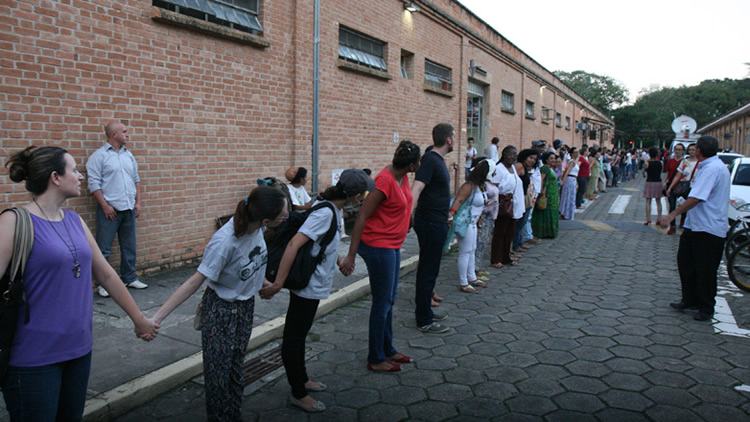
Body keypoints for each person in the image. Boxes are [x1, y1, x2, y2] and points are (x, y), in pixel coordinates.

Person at [1, 146, 158, 421]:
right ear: (55, 177)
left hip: (79, 351)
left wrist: (139, 319)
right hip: (33, 358)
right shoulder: (14, 222)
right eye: (74, 169)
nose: (81, 176)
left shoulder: (74, 220)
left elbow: (107, 274)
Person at [152, 186, 287, 421]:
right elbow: (195, 281)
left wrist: (263, 282)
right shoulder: (224, 242)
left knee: (236, 369)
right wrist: (157, 318)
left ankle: (233, 415)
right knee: (218, 377)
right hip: (221, 312)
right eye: (284, 213)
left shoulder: (258, 228)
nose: (287, 215)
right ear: (266, 219)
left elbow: (251, 261)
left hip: (244, 308)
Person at [260, 169, 372, 411]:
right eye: (363, 194)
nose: (364, 198)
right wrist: (278, 283)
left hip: (312, 282)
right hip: (307, 285)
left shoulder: (330, 207)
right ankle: (298, 393)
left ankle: (302, 379)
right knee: (294, 336)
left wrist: (340, 260)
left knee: (299, 334)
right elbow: (294, 244)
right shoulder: (326, 213)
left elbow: (322, 245)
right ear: (353, 196)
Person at [339, 142, 420, 373]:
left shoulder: (401, 176)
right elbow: (362, 217)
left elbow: (402, 206)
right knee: (382, 303)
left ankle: (388, 349)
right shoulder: (385, 180)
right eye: (418, 162)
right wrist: (351, 256)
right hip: (378, 246)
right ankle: (375, 357)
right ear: (413, 164)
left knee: (389, 300)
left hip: (392, 245)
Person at [658, 136, 730, 321]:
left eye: (694, 148)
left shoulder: (712, 169)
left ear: (699, 150)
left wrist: (672, 215)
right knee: (686, 263)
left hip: (708, 228)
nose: (692, 151)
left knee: (705, 269)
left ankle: (706, 307)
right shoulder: (708, 166)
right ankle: (689, 299)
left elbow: (697, 197)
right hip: (695, 225)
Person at [87, 120, 147, 298]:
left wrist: (138, 203)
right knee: (104, 249)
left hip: (128, 207)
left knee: (129, 246)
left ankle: (129, 277)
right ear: (114, 134)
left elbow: (136, 179)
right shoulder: (99, 156)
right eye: (125, 131)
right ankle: (103, 284)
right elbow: (93, 184)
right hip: (110, 210)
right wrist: (104, 206)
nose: (127, 134)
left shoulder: (129, 155)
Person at [410, 123, 454, 334]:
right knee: (428, 269)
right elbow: (417, 188)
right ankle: (424, 319)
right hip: (429, 223)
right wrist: (406, 216)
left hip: (436, 220)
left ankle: (425, 309)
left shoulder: (436, 160)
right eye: (453, 136)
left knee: (430, 267)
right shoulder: (430, 160)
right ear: (449, 139)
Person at [449, 159, 493, 293]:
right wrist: (450, 215)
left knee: (472, 249)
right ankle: (463, 282)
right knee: (465, 251)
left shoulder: (480, 185)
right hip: (466, 223)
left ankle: (472, 277)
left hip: (473, 223)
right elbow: (458, 200)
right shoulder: (469, 186)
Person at [490, 146, 524, 268]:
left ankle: (506, 257)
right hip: (503, 204)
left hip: (513, 204)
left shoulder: (512, 168)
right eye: (511, 154)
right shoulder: (499, 169)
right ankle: (496, 258)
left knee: (509, 232)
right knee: (500, 232)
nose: (514, 156)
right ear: (504, 155)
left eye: (515, 154)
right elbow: (493, 186)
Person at [474, 157, 498, 282]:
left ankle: (478, 267)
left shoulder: (489, 183)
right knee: (479, 243)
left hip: (490, 218)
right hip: (483, 218)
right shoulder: (483, 185)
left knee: (484, 243)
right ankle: (474, 269)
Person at [666, 143, 698, 233]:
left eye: (694, 150)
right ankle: (672, 226)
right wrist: (670, 187)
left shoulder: (700, 163)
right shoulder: (685, 161)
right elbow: (677, 175)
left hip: (690, 188)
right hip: (679, 186)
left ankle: (683, 224)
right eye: (690, 149)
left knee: (685, 207)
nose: (692, 151)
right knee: (672, 206)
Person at [512, 149, 538, 254]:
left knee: (522, 222)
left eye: (534, 159)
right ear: (524, 157)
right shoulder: (519, 166)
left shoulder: (526, 168)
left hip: (526, 198)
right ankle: (515, 245)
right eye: (530, 158)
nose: (532, 161)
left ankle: (518, 243)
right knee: (518, 223)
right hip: (520, 198)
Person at [532, 152, 561, 238]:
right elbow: (541, 180)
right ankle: (543, 232)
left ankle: (550, 232)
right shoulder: (545, 168)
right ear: (546, 159)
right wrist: (541, 193)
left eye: (554, 158)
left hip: (553, 194)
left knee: (552, 211)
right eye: (551, 158)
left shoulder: (551, 168)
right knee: (545, 211)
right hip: (547, 194)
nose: (553, 160)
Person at [643, 147, 663, 225]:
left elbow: (644, 173)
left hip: (649, 182)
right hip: (658, 182)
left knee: (648, 201)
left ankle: (648, 219)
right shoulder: (660, 162)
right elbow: (661, 171)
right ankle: (659, 219)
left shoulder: (647, 162)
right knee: (658, 201)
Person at [559, 147, 579, 220]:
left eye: (577, 152)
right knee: (568, 196)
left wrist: (576, 182)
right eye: (575, 152)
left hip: (573, 179)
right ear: (572, 153)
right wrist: (563, 181)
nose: (577, 153)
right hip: (570, 179)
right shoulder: (571, 162)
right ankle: (565, 213)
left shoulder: (575, 161)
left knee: (571, 196)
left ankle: (568, 213)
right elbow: (567, 172)